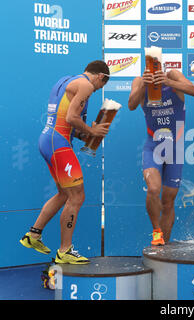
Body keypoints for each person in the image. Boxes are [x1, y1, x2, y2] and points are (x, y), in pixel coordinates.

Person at [19, 60, 111, 264]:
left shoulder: (66, 81)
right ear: (101, 77)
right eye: (101, 86)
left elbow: (66, 121)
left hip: (49, 140)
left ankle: (33, 235)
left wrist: (85, 135)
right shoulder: (86, 85)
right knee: (77, 197)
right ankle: (65, 251)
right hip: (58, 143)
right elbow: (71, 117)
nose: (96, 90)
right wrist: (92, 131)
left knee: (64, 194)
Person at [128, 67, 194, 246]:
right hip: (153, 147)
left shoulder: (172, 75)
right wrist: (143, 85)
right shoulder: (139, 81)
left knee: (168, 201)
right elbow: (131, 105)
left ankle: (164, 246)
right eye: (149, 65)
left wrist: (168, 82)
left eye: (156, 65)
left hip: (175, 149)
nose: (153, 69)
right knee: (153, 189)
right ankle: (156, 231)